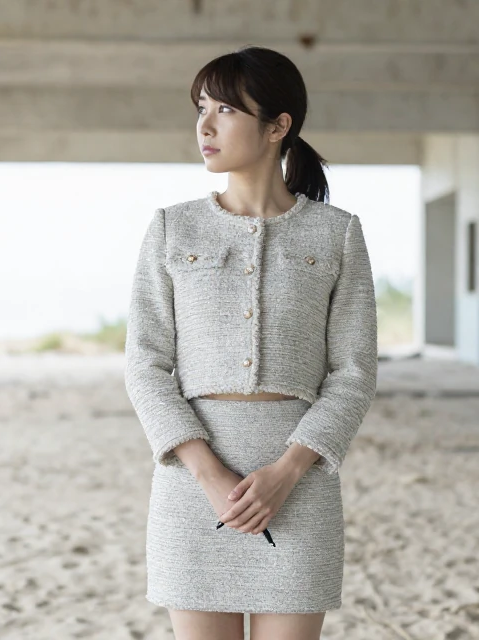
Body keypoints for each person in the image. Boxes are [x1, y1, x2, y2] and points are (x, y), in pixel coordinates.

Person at [124, 45, 378, 640]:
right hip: (191, 491)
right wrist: (208, 475)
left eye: (225, 110)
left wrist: (289, 470)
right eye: (200, 109)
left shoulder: (338, 233)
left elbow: (354, 371)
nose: (204, 126)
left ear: (278, 126)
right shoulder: (171, 226)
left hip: (300, 485)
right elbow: (146, 365)